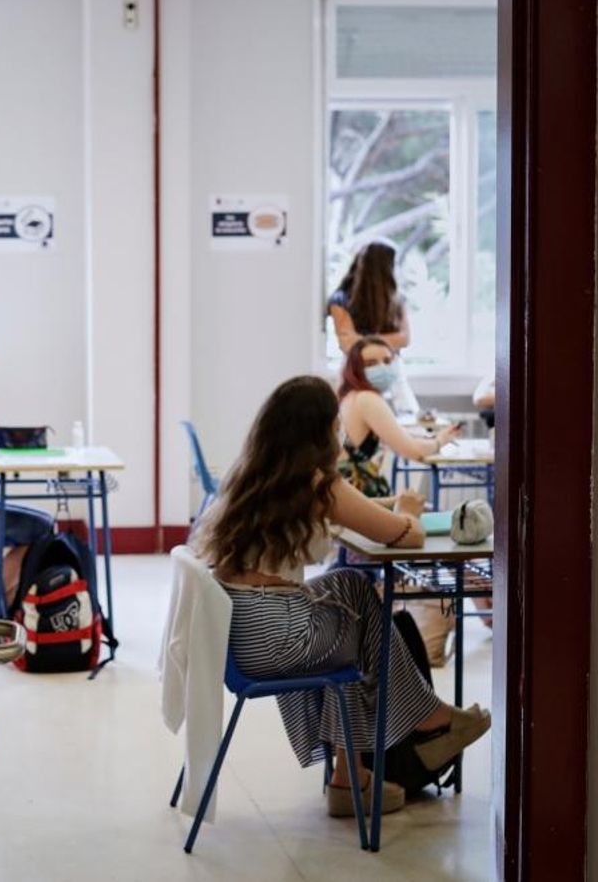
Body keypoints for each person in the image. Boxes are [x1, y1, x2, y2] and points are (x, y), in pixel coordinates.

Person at [194, 376, 490, 817]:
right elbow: (401, 537)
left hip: (242, 634)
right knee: (358, 613)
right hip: (276, 639)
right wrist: (406, 511)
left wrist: (386, 504)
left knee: (352, 593)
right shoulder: (318, 485)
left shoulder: (253, 475)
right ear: (319, 433)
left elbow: (355, 510)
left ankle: (350, 775)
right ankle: (425, 722)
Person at [337, 335, 459, 497]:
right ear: (355, 369)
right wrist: (441, 440)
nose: (382, 368)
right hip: (356, 492)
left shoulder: (350, 396)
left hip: (346, 490)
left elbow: (398, 436)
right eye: (371, 364)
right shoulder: (368, 399)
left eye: (387, 361)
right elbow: (414, 451)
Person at [329, 242, 419, 414]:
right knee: (349, 418)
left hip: (392, 368)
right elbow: (347, 344)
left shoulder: (396, 299)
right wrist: (387, 340)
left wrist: (361, 340)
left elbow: (405, 339)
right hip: (355, 368)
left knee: (405, 415)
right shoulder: (340, 299)